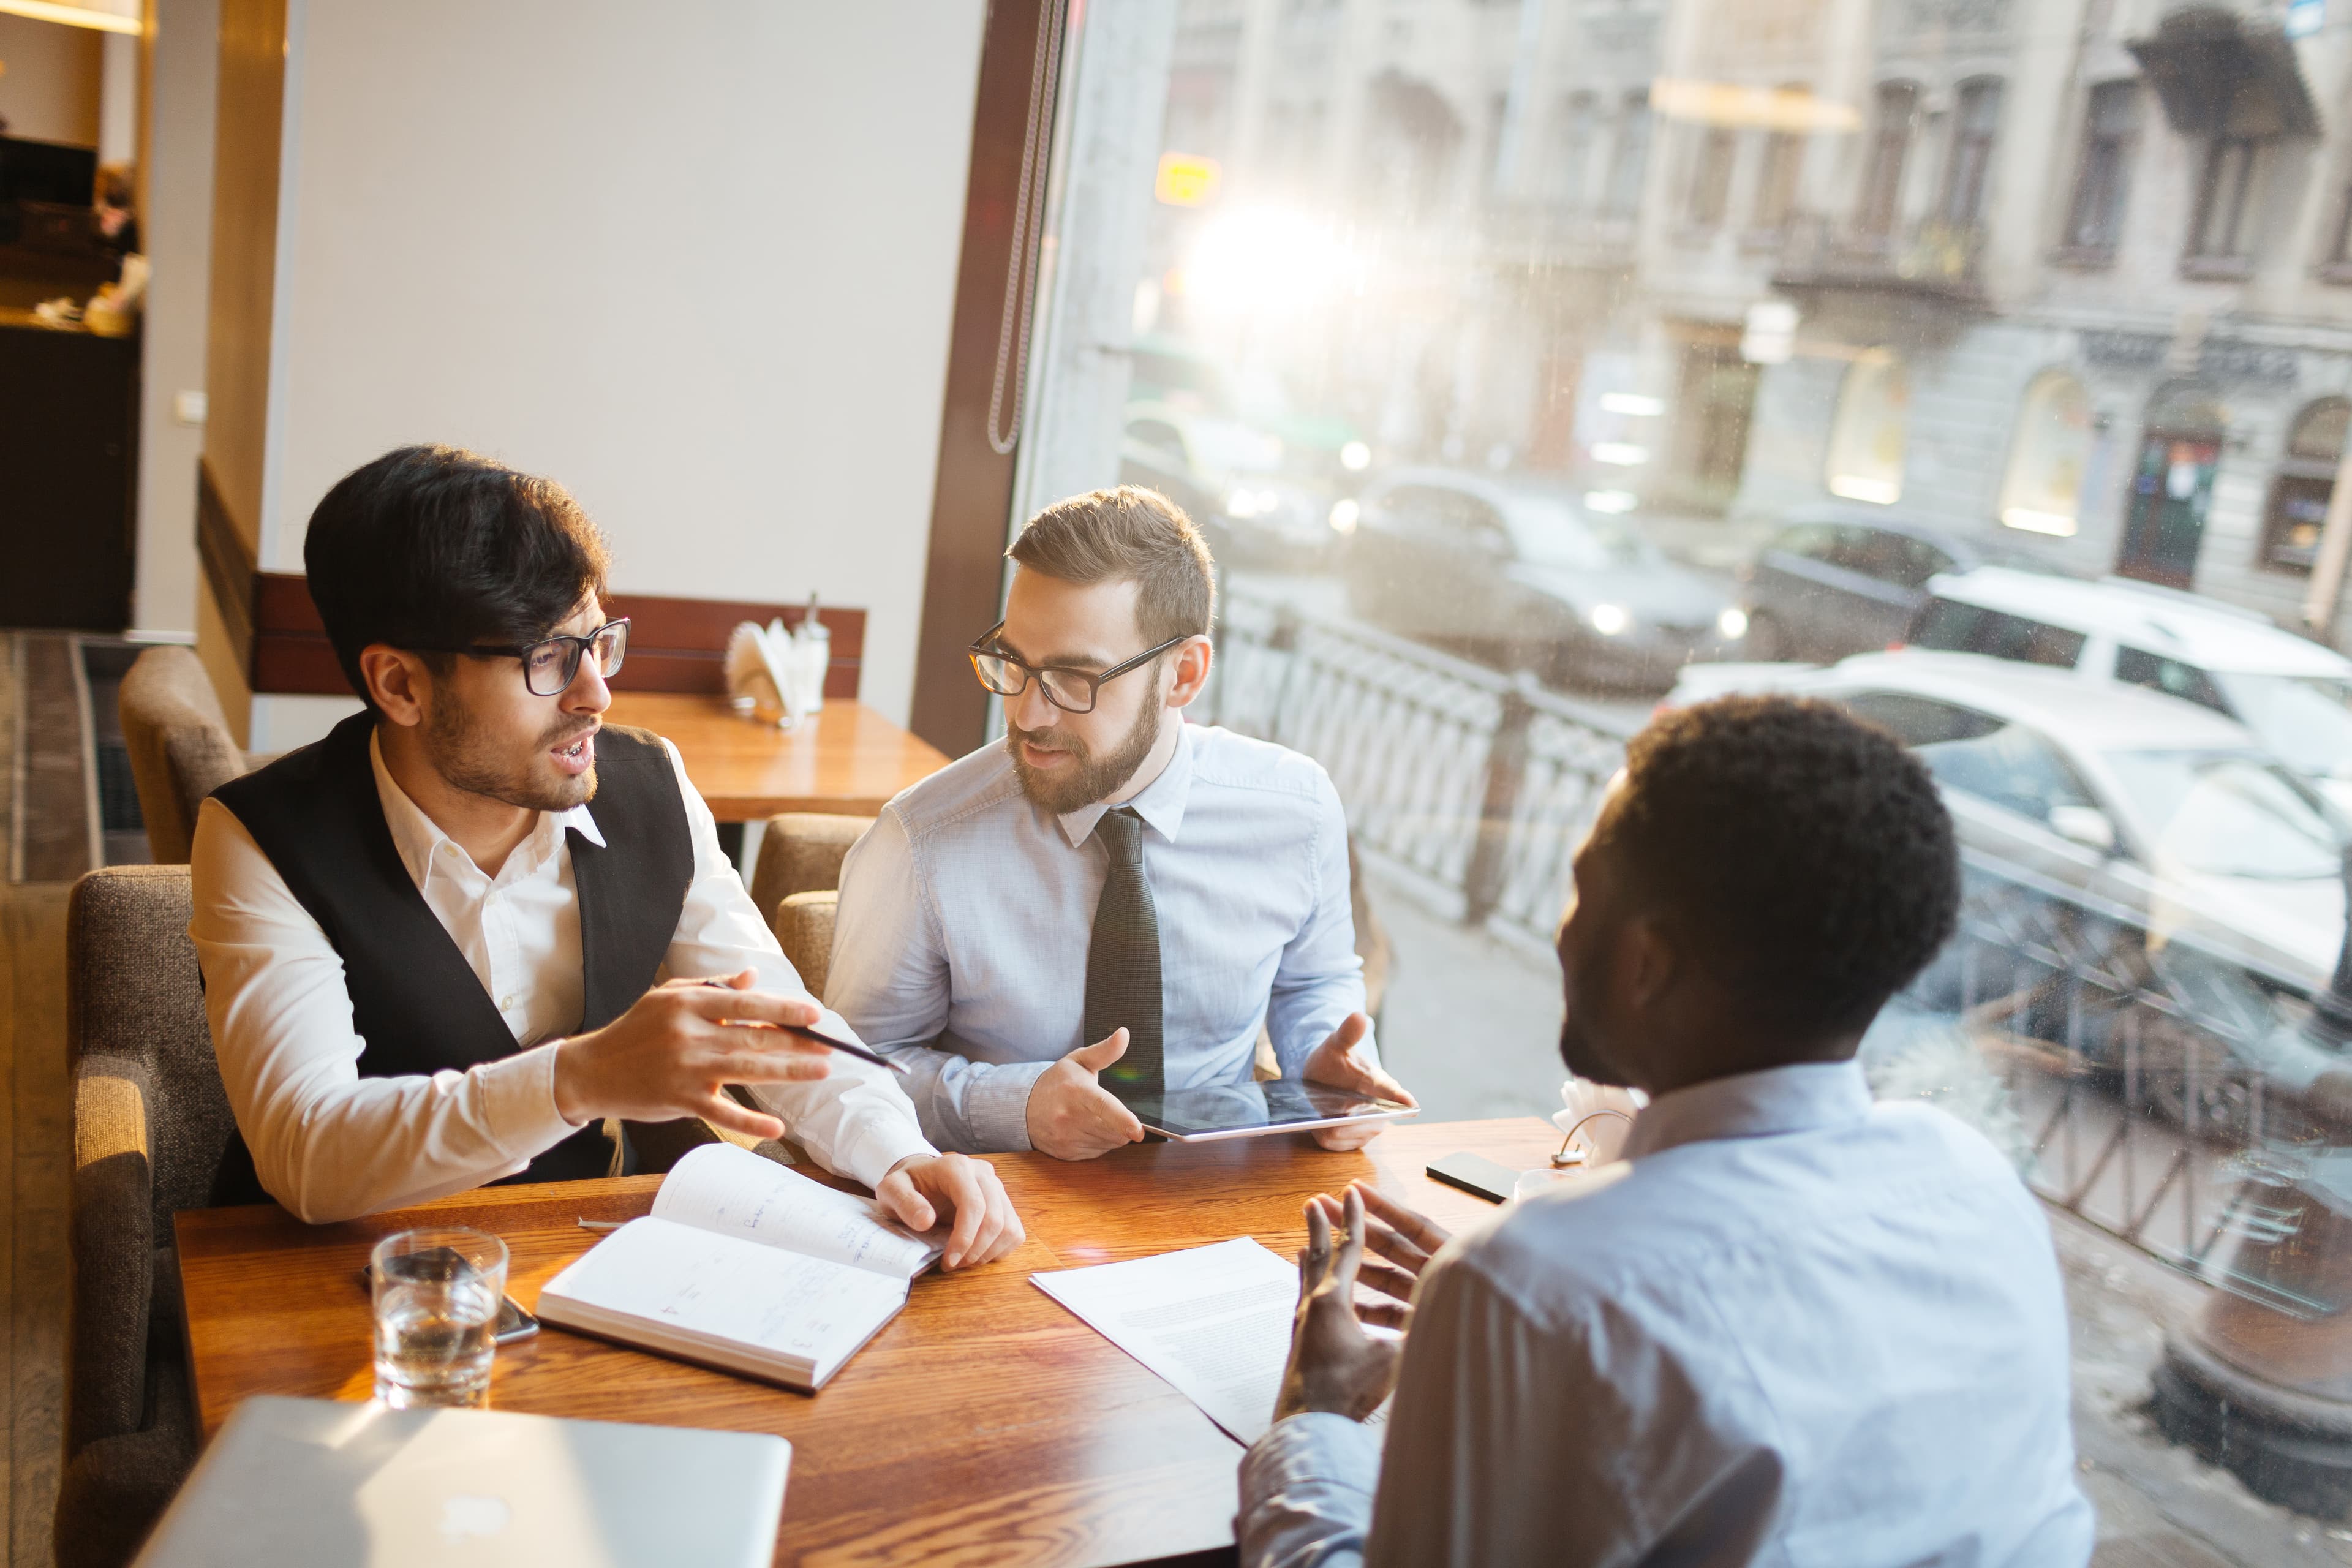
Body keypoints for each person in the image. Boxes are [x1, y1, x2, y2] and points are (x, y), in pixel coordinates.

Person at [1241, 696, 2094, 1566]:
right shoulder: (1977, 1185)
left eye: (1580, 889)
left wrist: (1313, 1418)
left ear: (1646, 962)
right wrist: (1509, 1331)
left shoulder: (1535, 1285)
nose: (1563, 930)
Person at [190, 445, 1020, 1267]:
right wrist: (579, 1079)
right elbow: (306, 1153)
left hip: (572, 1255)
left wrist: (897, 1154)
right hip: (330, 1279)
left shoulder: (649, 784)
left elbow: (777, 1023)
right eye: (546, 659)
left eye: (599, 642)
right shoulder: (266, 839)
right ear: (401, 685)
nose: (597, 694)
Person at [827, 486, 1412, 1159]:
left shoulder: (1297, 811)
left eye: (1076, 679)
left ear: (1184, 675)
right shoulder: (920, 843)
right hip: (1004, 1209)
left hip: (1222, 1197)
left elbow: (1314, 981)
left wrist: (1326, 1068)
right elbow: (850, 1072)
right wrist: (1016, 1105)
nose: (1027, 715)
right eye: (1013, 662)